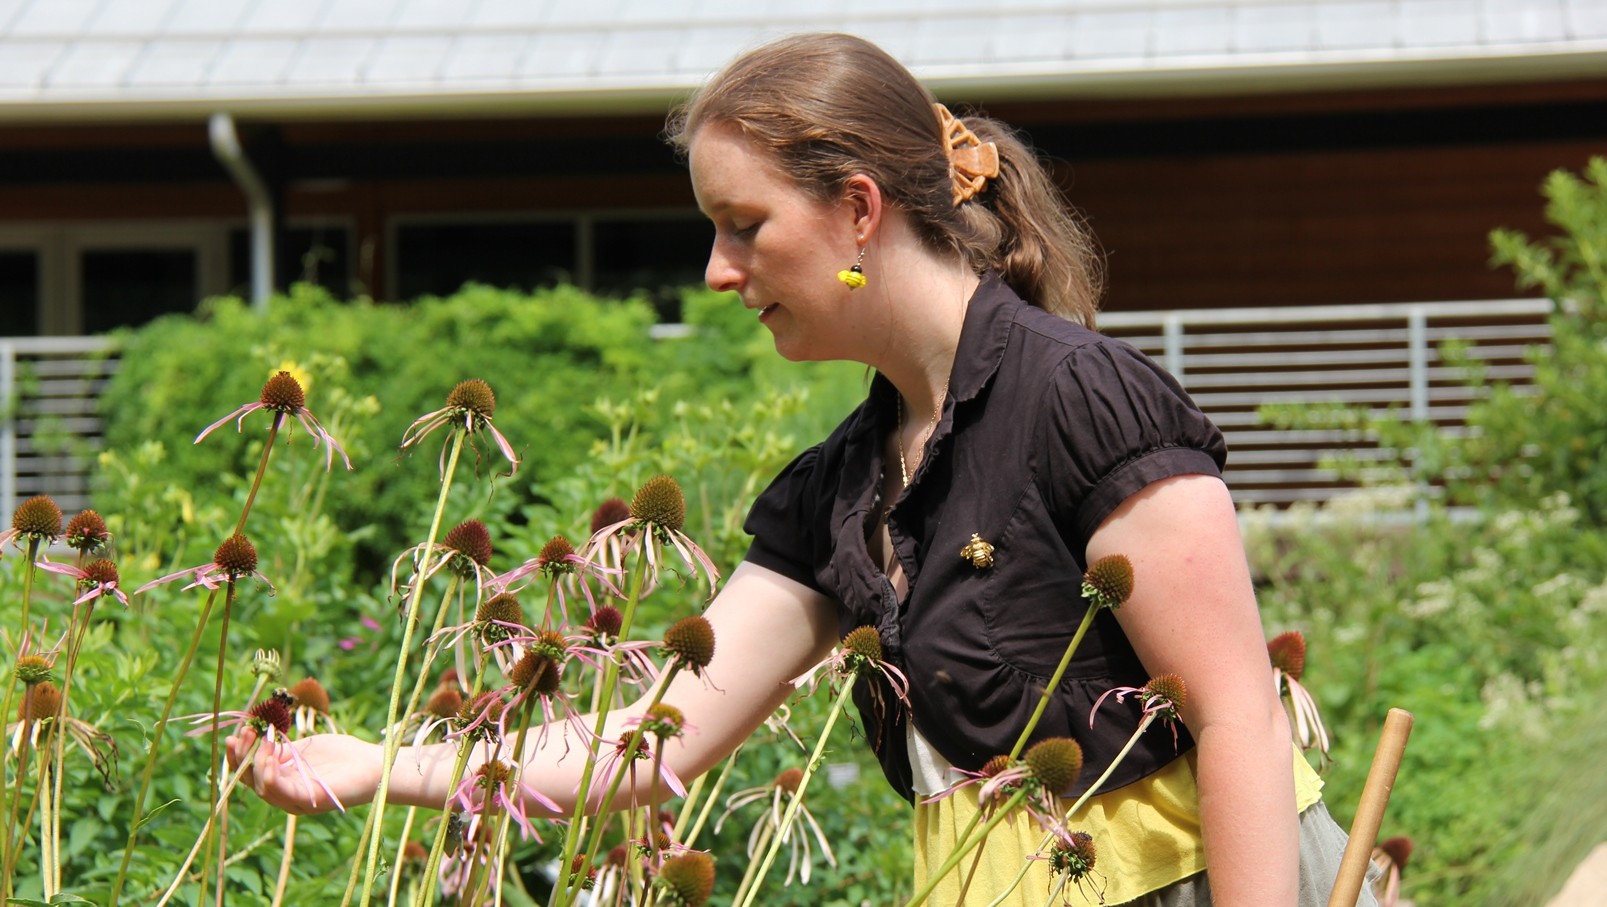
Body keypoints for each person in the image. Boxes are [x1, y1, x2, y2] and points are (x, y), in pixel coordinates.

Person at [230, 32, 1374, 907]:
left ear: (858, 209)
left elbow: (1233, 714)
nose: (718, 271)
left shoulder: (1078, 398)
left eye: (742, 225)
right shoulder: (837, 492)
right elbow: (651, 742)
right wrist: (381, 762)